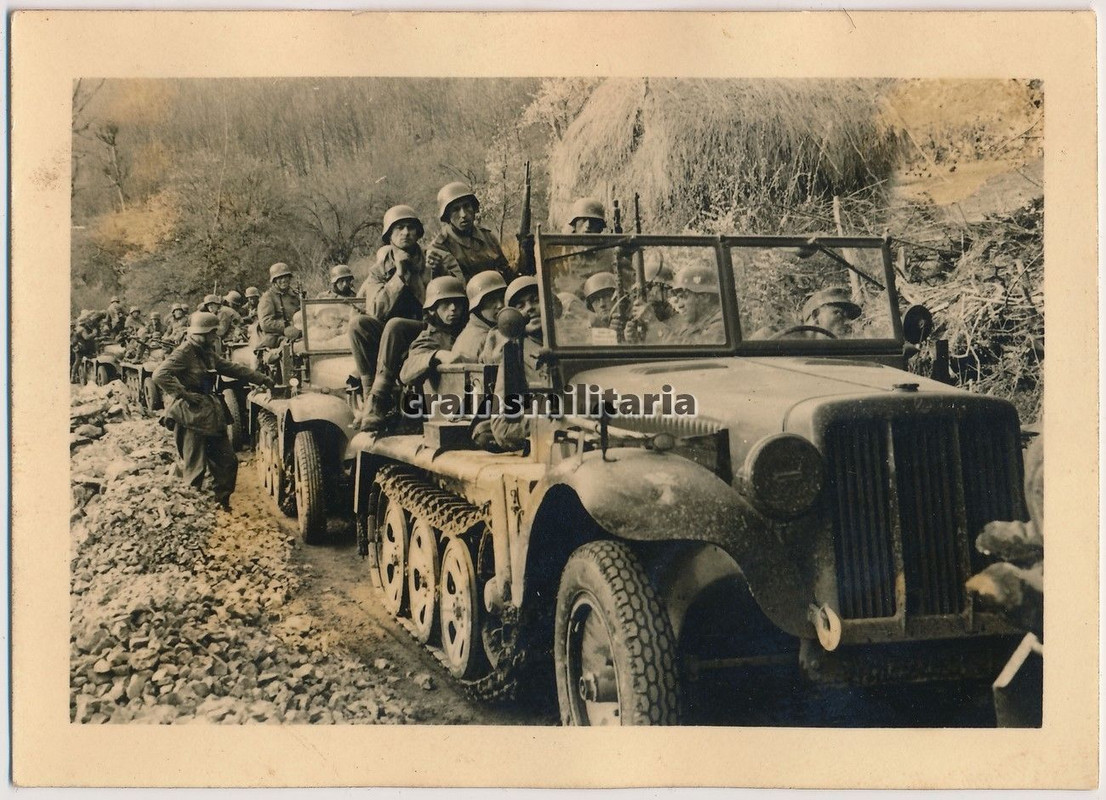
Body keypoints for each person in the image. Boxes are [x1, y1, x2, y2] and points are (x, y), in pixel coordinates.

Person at [153, 312, 274, 511]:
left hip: (210, 413)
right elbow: (159, 375)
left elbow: (233, 368)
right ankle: (194, 513)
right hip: (190, 415)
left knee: (228, 461)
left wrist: (261, 378)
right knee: (195, 468)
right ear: (202, 333)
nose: (215, 337)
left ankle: (221, 503)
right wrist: (184, 394)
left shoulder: (207, 352)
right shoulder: (184, 352)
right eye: (211, 334)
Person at [350, 205, 453, 429]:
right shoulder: (379, 270)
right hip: (391, 335)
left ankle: (379, 398)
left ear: (418, 233)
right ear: (389, 236)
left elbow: (437, 307)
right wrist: (398, 276)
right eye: (399, 228)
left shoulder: (432, 261)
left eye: (410, 228)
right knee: (358, 325)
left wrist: (418, 274)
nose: (405, 232)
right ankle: (371, 397)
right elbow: (376, 311)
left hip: (425, 328)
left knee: (396, 326)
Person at [426, 182, 509, 283]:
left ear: (474, 208)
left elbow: (507, 275)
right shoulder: (439, 247)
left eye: (467, 206)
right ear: (447, 215)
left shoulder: (488, 238)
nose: (463, 214)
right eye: (455, 209)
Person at [398, 277, 469, 387]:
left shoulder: (467, 330)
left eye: (458, 302)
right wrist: (437, 355)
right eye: (446, 303)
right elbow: (406, 372)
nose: (453, 308)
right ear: (432, 309)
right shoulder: (428, 338)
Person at [661, 264, 726, 345]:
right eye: (679, 298)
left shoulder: (721, 324)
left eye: (684, 297)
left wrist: (659, 331)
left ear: (705, 297)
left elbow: (699, 350)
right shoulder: (697, 321)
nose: (680, 305)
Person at [451, 270, 506, 362]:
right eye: (491, 300)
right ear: (478, 306)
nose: (500, 305)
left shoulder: (491, 329)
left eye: (502, 297)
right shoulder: (475, 340)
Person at [256, 262, 302, 350]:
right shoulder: (268, 297)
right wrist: (286, 325)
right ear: (274, 280)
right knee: (284, 351)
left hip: (299, 333)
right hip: (277, 336)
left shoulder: (295, 295)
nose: (284, 280)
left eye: (286, 277)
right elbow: (265, 323)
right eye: (280, 278)